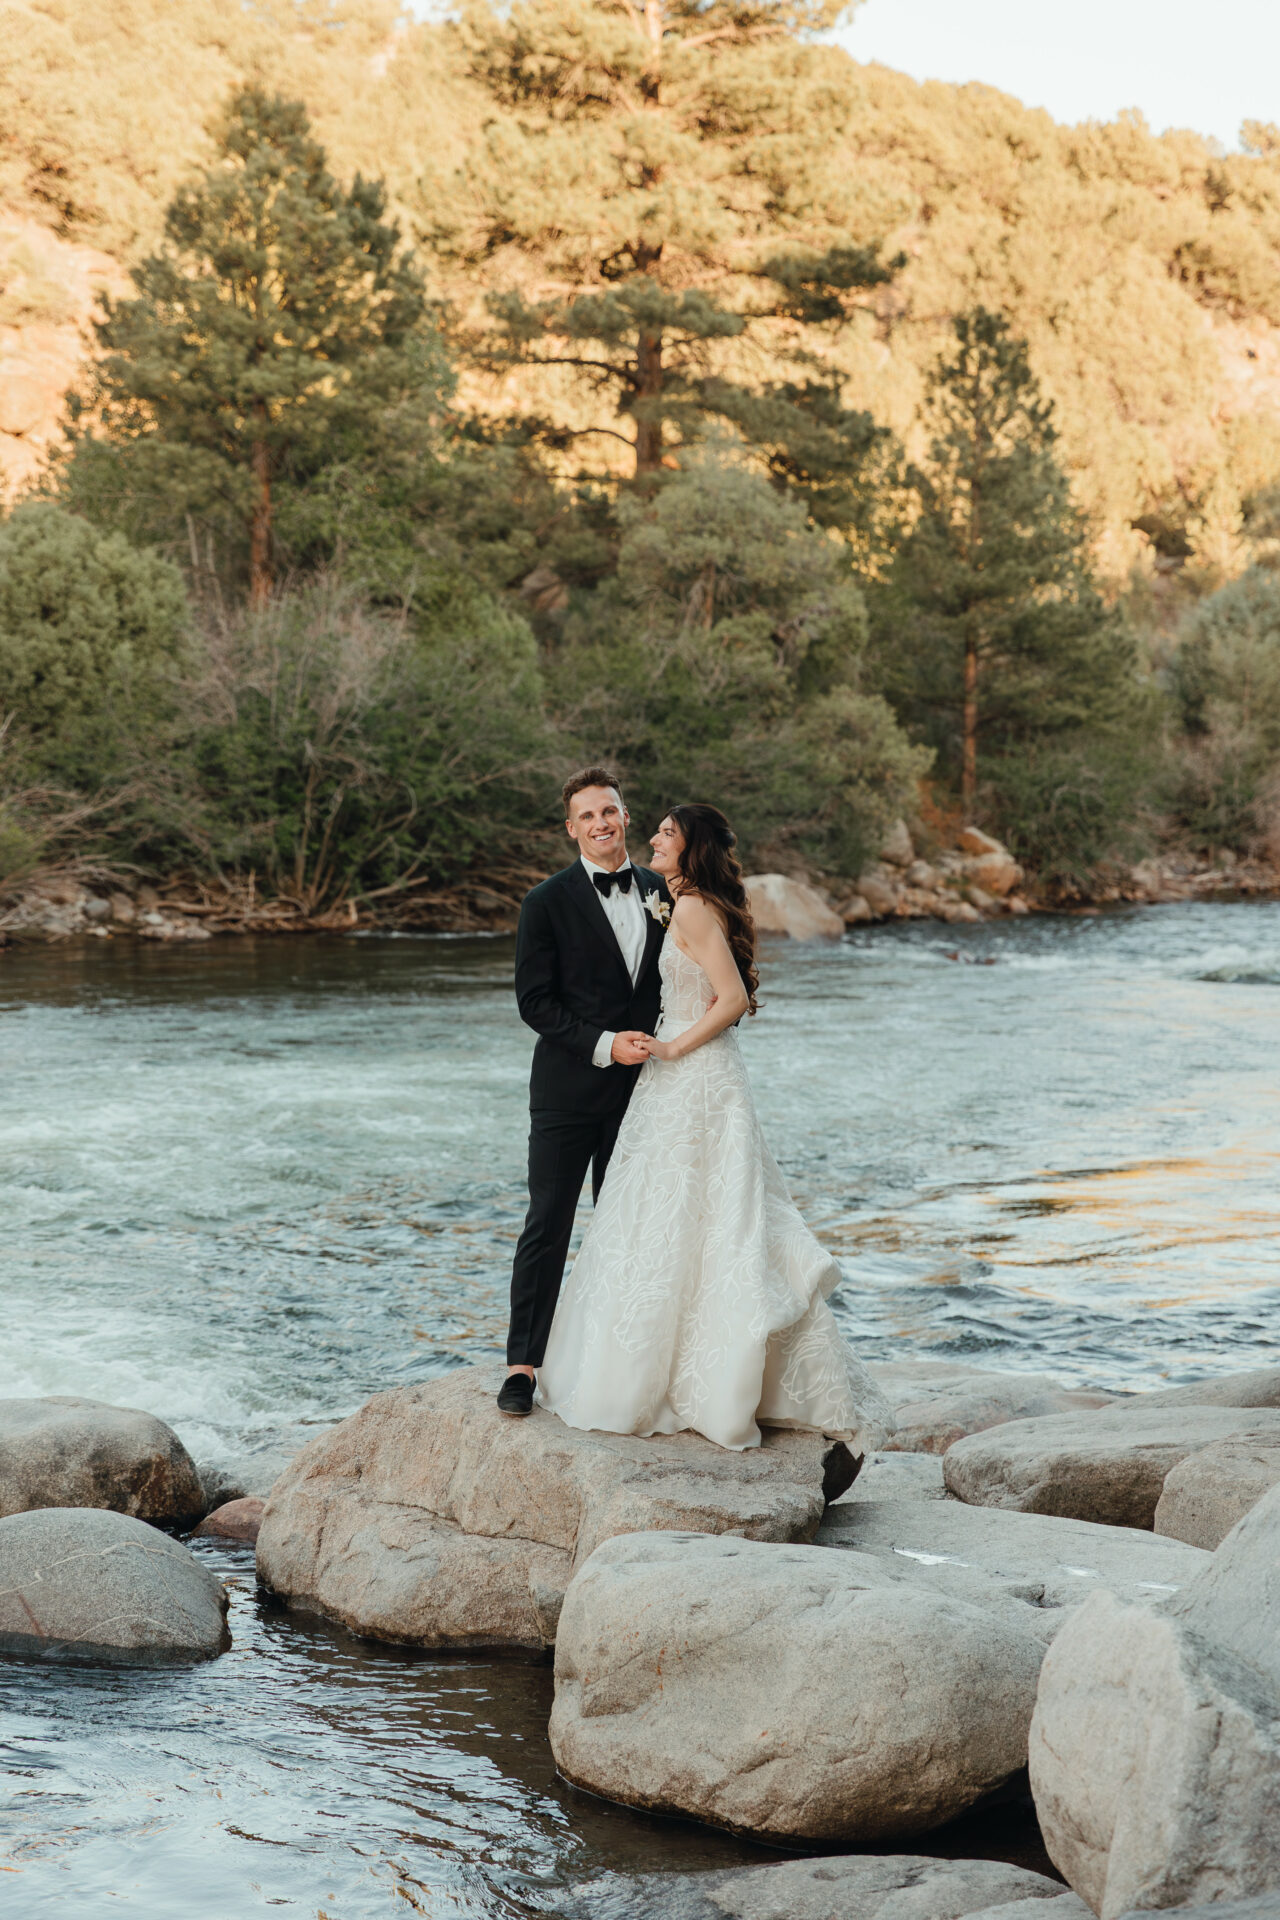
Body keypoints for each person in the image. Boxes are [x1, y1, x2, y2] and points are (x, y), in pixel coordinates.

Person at [536, 801, 890, 1452]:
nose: (652, 838)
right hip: (682, 1075)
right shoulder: (682, 900)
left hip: (695, 1072)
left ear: (691, 845)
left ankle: (695, 1378)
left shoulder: (693, 908)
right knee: (688, 1213)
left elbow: (731, 999)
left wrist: (672, 1046)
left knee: (697, 1215)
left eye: (666, 833)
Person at [498, 767, 672, 1417]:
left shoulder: (663, 890)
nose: (601, 823)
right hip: (567, 1091)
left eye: (609, 810)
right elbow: (535, 1002)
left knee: (633, 1225)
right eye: (588, 815)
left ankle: (622, 1364)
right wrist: (603, 1043)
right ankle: (522, 1367)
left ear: (626, 817)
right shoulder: (544, 903)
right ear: (571, 828)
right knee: (548, 1224)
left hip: (646, 1092)